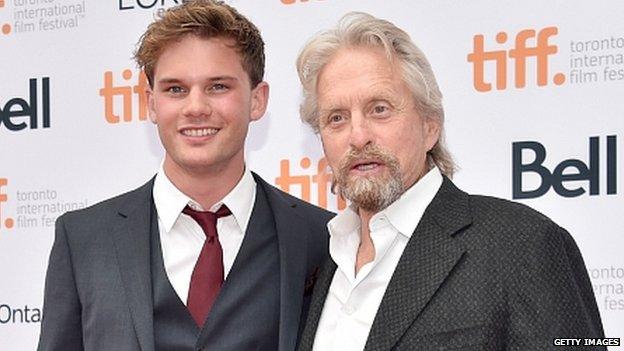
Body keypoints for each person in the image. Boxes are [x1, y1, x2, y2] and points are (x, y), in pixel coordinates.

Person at [295, 12, 605, 351]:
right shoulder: (317, 264)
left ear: (430, 126)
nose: (358, 136)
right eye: (336, 118)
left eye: (379, 109)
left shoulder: (524, 244)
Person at [38, 1, 332, 350]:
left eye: (218, 86)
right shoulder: (83, 239)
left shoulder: (321, 239)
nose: (195, 107)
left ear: (257, 100)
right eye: (175, 89)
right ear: (150, 103)